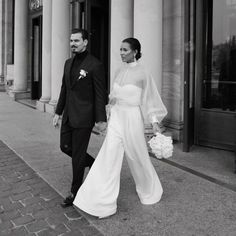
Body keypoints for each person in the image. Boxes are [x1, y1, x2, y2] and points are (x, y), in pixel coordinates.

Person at [73, 37, 168, 218]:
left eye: (125, 50)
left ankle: (150, 189)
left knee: (137, 156)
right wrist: (105, 117)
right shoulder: (119, 70)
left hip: (132, 119)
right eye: (120, 49)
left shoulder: (143, 73)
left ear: (135, 52)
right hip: (117, 117)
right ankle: (99, 202)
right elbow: (113, 97)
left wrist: (155, 122)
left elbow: (149, 100)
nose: (121, 53)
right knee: (108, 155)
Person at [53, 28, 107, 208]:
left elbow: (100, 94)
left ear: (85, 42)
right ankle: (92, 163)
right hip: (68, 114)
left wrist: (101, 119)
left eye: (76, 41)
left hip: (84, 117)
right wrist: (58, 112)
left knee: (77, 155)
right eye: (71, 41)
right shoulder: (68, 63)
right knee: (64, 146)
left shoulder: (95, 65)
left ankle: (74, 192)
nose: (72, 44)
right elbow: (64, 89)